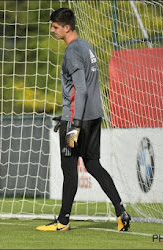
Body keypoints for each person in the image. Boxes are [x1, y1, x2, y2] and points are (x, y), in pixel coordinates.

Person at [36, 8, 131, 232]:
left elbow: (80, 89)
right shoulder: (86, 46)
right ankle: (121, 211)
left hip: (77, 121)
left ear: (66, 27)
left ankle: (63, 222)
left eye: (55, 27)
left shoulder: (71, 52)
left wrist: (74, 124)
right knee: (93, 165)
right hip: (94, 117)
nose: (52, 30)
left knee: (69, 170)